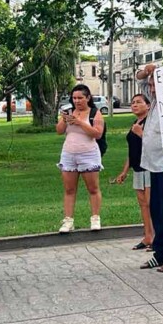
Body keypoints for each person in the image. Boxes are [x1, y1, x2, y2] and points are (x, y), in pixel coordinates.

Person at [136, 64, 163, 273]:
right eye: (151, 85)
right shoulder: (153, 102)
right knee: (157, 210)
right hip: (153, 165)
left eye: (155, 85)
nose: (151, 89)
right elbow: (140, 78)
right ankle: (160, 252)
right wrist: (149, 72)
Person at [56, 84, 105, 233]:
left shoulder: (95, 113)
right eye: (74, 98)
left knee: (93, 188)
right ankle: (68, 220)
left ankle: (95, 217)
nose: (77, 101)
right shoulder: (68, 111)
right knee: (69, 189)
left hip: (88, 153)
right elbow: (59, 131)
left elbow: (97, 134)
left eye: (80, 98)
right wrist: (64, 120)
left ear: (88, 98)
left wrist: (80, 122)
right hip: (69, 153)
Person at [115, 93, 155, 250]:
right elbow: (131, 151)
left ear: (148, 105)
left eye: (139, 102)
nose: (134, 105)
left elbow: (154, 145)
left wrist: (141, 133)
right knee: (143, 204)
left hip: (150, 167)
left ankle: (158, 237)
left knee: (152, 204)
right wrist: (125, 171)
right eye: (132, 103)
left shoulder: (150, 123)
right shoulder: (135, 123)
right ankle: (148, 236)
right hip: (137, 169)